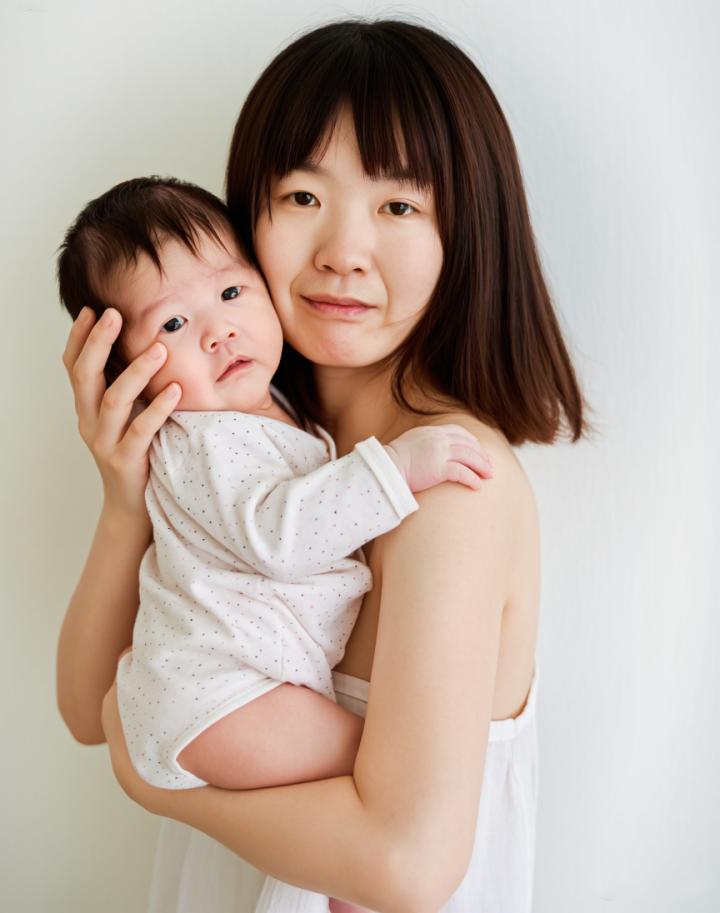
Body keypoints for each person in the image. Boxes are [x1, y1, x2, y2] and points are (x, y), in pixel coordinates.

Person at [57, 18, 588, 913]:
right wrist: (125, 503)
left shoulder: (448, 486)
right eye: (303, 195)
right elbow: (86, 707)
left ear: (466, 231)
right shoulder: (250, 452)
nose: (343, 250)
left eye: (399, 206)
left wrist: (159, 780)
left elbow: (407, 866)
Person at [56, 176, 491, 798]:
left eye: (232, 292)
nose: (219, 332)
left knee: (382, 778)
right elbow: (281, 536)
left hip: (233, 693)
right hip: (224, 698)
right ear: (124, 372)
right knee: (389, 771)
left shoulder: (269, 410)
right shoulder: (204, 442)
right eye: (173, 323)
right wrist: (394, 469)